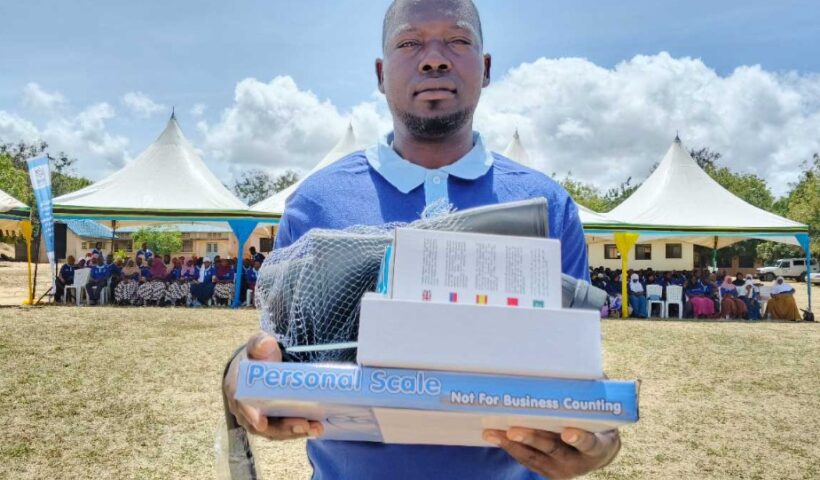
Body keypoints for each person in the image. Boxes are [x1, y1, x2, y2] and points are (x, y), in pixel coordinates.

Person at [223, 2, 620, 478]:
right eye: (410, 43)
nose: (434, 59)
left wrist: (599, 442)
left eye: (457, 40)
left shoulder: (548, 206)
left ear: (486, 67)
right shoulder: (316, 204)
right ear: (380, 72)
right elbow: (278, 353)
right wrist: (239, 376)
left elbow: (577, 380)